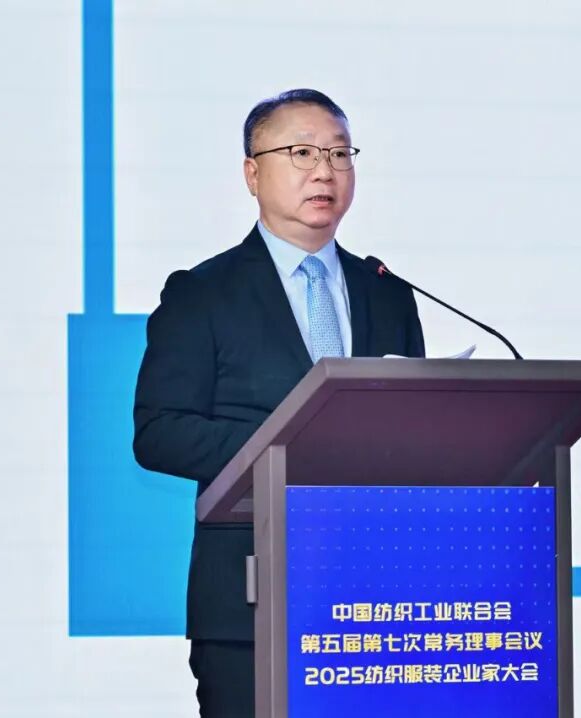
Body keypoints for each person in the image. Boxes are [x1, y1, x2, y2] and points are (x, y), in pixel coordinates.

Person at [132, 89, 425, 717]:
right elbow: (159, 432)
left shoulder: (389, 293)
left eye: (340, 153)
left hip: (375, 603)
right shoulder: (202, 293)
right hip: (249, 602)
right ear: (252, 173)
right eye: (302, 153)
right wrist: (293, 444)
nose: (325, 171)